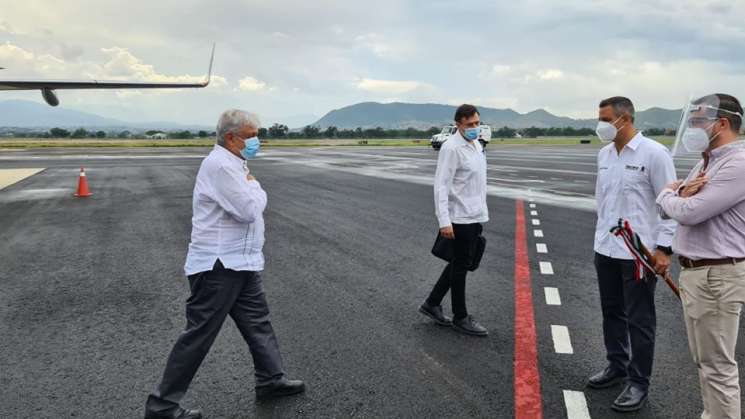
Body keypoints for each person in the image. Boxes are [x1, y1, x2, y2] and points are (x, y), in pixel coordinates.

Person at [144, 110, 304, 419]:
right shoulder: (220, 166)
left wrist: (251, 185)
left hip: (241, 261)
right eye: (251, 135)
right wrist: (256, 188)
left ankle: (271, 379)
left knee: (258, 322)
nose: (257, 141)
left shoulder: (235, 163)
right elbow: (247, 209)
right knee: (199, 335)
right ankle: (161, 406)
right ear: (231, 137)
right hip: (218, 266)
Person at [657, 93, 745, 419]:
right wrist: (674, 198)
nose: (692, 127)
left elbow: (690, 211)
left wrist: (669, 193)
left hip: (717, 276)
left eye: (698, 121)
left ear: (722, 123)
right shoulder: (706, 160)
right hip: (697, 274)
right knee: (704, 361)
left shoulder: (737, 163)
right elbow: (670, 210)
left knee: (718, 366)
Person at [588, 96, 677, 412]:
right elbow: (602, 201)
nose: (599, 124)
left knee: (640, 320)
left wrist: (664, 249)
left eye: (604, 118)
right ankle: (617, 365)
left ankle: (639, 382)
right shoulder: (604, 154)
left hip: (639, 254)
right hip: (607, 248)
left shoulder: (654, 154)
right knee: (611, 311)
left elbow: (669, 206)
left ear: (624, 119)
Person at [419, 104, 489, 337]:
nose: (475, 128)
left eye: (477, 124)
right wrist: (444, 220)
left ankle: (432, 303)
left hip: (475, 214)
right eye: (470, 125)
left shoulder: (477, 145)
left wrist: (481, 212)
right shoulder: (451, 148)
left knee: (460, 263)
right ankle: (461, 316)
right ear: (458, 123)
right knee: (460, 267)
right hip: (459, 217)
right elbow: (441, 186)